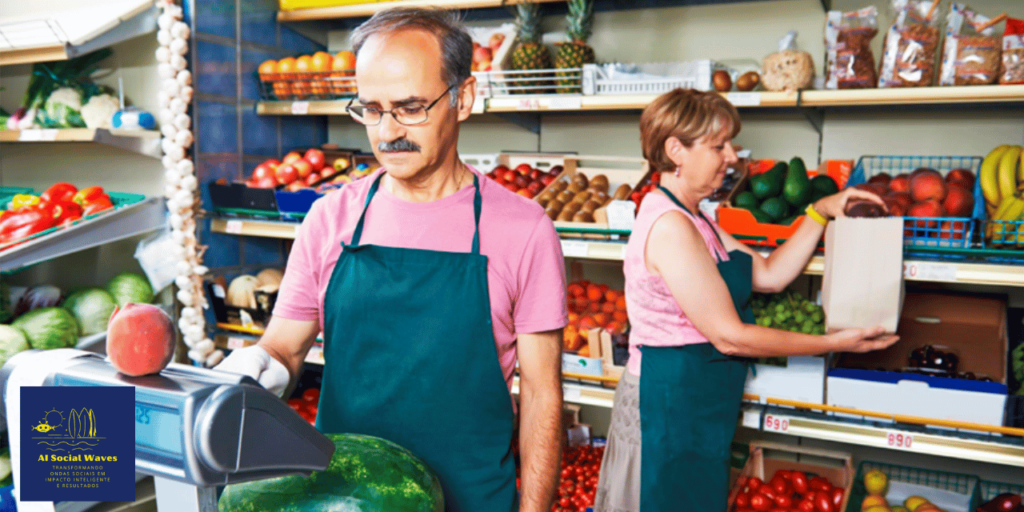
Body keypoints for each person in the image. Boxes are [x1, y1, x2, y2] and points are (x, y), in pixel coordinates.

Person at [214, 8, 566, 512]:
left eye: (410, 107)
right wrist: (249, 371)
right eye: (371, 109)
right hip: (343, 501)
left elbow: (541, 397)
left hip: (473, 499)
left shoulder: (524, 230)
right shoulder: (329, 218)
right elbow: (286, 352)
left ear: (463, 98)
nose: (387, 131)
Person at [592, 89, 900, 512]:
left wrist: (820, 211)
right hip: (665, 409)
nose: (732, 156)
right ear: (675, 150)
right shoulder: (669, 227)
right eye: (718, 146)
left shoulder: (695, 217)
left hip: (695, 404)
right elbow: (731, 337)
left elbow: (770, 275)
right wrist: (834, 343)